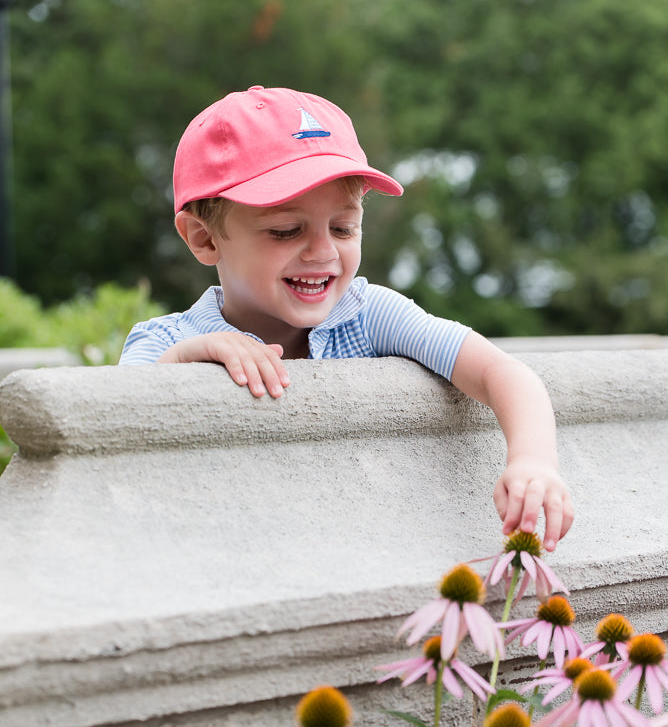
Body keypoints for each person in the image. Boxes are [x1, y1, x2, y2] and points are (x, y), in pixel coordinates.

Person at [120, 85, 573, 551]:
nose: (323, 251)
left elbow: (502, 371)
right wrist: (189, 358)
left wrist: (532, 461)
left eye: (343, 227)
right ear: (204, 238)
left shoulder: (367, 314)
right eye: (286, 230)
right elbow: (114, 427)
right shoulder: (164, 342)